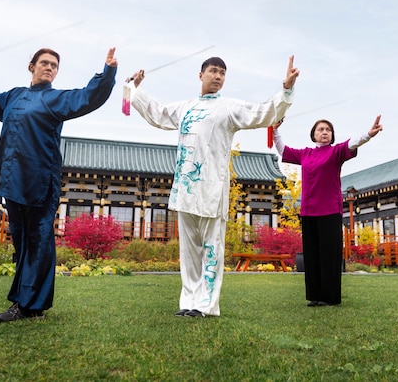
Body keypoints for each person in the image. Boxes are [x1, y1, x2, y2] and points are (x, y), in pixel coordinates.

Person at [125, 56, 300, 317]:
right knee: (189, 251)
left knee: (211, 249)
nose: (218, 77)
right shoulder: (185, 107)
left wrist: (285, 89)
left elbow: (261, 113)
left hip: (212, 189)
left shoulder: (229, 107)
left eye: (222, 73)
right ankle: (188, 302)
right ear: (200, 75)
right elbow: (159, 113)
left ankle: (206, 305)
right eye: (213, 71)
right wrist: (134, 89)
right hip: (186, 188)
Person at [0, 47, 118, 321]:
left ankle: (29, 305)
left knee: (38, 241)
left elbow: (87, 97)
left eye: (54, 65)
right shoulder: (14, 96)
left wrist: (107, 72)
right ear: (32, 66)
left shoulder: (56, 99)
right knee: (23, 242)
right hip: (12, 179)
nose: (49, 68)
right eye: (44, 63)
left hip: (39, 180)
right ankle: (28, 302)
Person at [272, 115, 382, 306]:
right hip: (308, 211)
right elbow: (283, 150)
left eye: (328, 130)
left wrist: (369, 134)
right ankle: (315, 296)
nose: (324, 132)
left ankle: (329, 297)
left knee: (329, 255)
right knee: (312, 255)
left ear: (331, 135)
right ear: (313, 135)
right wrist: (274, 130)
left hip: (330, 211)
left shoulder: (336, 152)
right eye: (320, 129)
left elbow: (353, 143)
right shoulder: (305, 154)